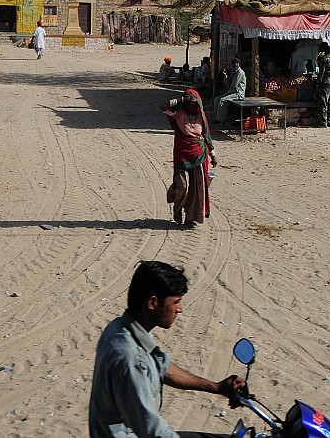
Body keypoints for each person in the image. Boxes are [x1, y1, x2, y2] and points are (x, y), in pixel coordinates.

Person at [88, 260, 245, 438]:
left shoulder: (121, 327)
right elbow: (150, 428)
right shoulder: (129, 358)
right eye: (176, 302)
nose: (180, 309)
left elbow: (163, 367)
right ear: (153, 303)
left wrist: (215, 387)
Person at [160, 88, 216, 226]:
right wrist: (182, 99)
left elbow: (206, 135)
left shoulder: (200, 116)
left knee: (197, 188)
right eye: (189, 103)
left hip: (199, 154)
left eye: (193, 103)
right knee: (182, 186)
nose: (191, 106)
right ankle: (177, 208)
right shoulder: (178, 114)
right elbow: (163, 107)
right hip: (181, 154)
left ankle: (191, 218)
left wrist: (212, 154)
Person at [213, 58, 246, 128]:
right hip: (231, 91)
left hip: (238, 93)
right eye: (233, 64)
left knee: (222, 100)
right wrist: (226, 75)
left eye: (235, 63)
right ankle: (217, 117)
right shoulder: (233, 72)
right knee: (216, 99)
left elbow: (234, 85)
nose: (234, 65)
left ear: (238, 64)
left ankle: (220, 119)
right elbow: (227, 84)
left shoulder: (240, 72)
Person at [317, 44, 330, 127]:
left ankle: (323, 122)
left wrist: (318, 81)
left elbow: (322, 71)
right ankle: (329, 120)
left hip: (326, 81)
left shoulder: (325, 59)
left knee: (324, 101)